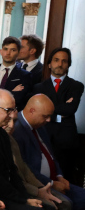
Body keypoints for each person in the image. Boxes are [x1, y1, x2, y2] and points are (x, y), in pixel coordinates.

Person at [12, 94, 85, 210]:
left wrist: (60, 176)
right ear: (32, 111)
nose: (49, 120)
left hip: (54, 179)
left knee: (82, 196)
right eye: (45, 116)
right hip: (39, 184)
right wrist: (51, 183)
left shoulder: (40, 126)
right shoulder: (16, 129)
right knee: (66, 203)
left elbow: (51, 155)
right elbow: (25, 168)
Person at [4, 112, 72, 210]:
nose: (11, 125)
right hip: (17, 192)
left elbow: (25, 170)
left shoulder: (12, 140)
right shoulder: (0, 141)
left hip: (32, 186)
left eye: (14, 121)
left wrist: (42, 188)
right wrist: (37, 191)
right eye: (8, 121)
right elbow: (15, 180)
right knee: (48, 209)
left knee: (63, 204)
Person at [33, 47, 82, 180]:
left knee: (66, 180)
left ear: (68, 65)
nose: (60, 64)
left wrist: (47, 111)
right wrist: (61, 110)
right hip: (44, 137)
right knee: (44, 178)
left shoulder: (76, 86)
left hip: (66, 141)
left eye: (64, 61)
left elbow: (70, 110)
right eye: (56, 60)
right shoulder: (38, 87)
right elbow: (38, 111)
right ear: (49, 64)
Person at [0, 36, 33, 110]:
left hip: (11, 114)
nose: (8, 53)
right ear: (1, 51)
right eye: (5, 49)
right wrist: (11, 91)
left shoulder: (25, 75)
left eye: (13, 50)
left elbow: (19, 99)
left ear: (18, 53)